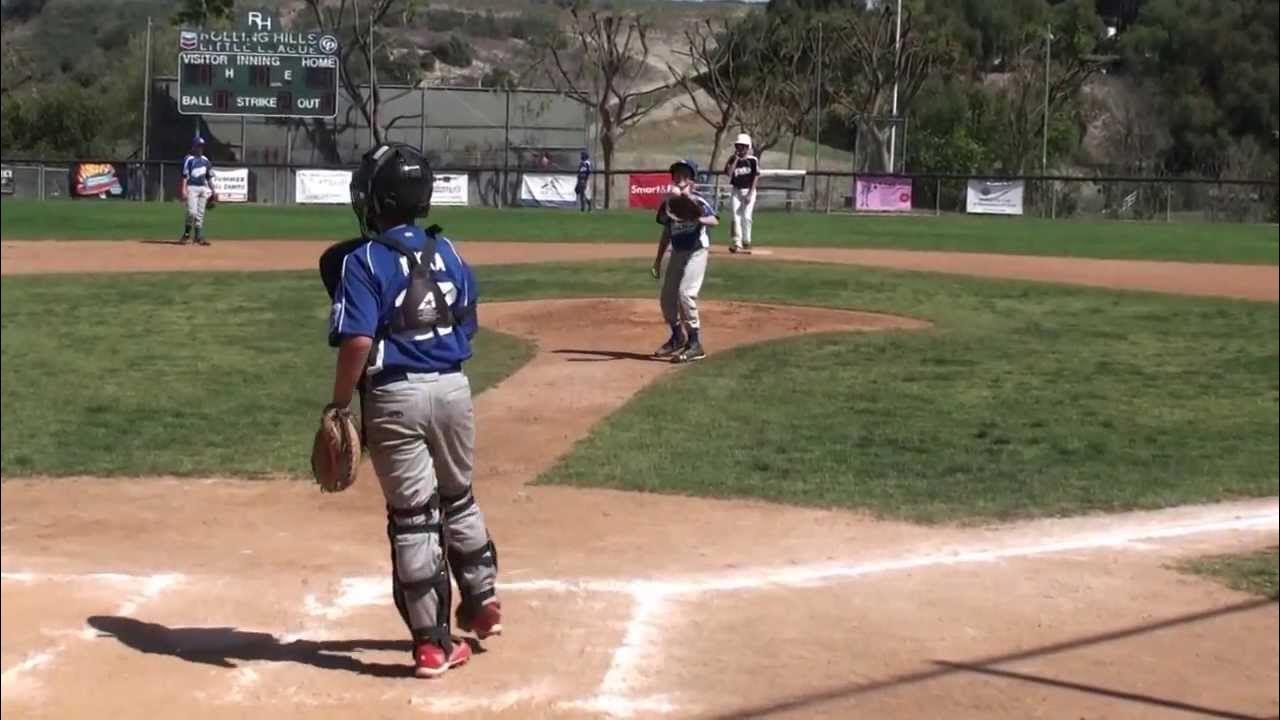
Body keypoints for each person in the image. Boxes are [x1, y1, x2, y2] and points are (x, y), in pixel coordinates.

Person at [323, 142, 501, 679]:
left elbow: (356, 340)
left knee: (414, 518)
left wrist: (337, 405)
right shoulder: (450, 253)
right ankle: (482, 599)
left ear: (377, 197)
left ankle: (432, 644)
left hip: (395, 395)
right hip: (453, 390)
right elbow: (467, 321)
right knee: (459, 497)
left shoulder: (364, 260)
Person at [651, 159, 719, 363]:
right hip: (678, 252)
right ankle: (677, 336)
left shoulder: (698, 201)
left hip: (697, 251)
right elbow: (666, 233)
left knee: (685, 294)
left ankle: (695, 343)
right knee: (667, 298)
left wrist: (697, 218)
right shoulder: (669, 204)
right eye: (676, 175)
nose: (679, 179)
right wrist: (657, 261)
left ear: (692, 181)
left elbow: (714, 220)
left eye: (684, 176)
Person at [722, 132, 760, 254]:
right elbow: (729, 173)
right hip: (736, 190)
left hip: (749, 190)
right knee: (735, 216)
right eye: (738, 146)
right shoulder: (733, 159)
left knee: (746, 217)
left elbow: (756, 176)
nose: (740, 148)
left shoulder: (753, 160)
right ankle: (736, 242)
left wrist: (750, 193)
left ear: (748, 147)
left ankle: (746, 240)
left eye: (743, 146)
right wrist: (735, 160)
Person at [179, 134, 217, 246]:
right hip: (192, 187)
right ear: (194, 147)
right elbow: (185, 175)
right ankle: (186, 234)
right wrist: (183, 189)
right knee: (192, 212)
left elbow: (209, 177)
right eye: (198, 146)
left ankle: (198, 236)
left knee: (200, 214)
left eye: (202, 146)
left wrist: (213, 190)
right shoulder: (189, 159)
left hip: (203, 188)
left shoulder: (205, 160)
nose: (200, 148)